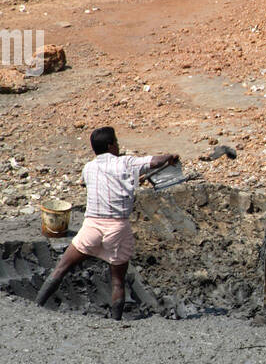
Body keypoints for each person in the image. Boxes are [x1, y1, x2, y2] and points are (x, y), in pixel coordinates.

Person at [35, 126, 179, 320]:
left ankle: (36, 308)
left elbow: (95, 183)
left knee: (61, 268)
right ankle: (115, 323)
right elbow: (154, 161)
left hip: (92, 226)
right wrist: (170, 157)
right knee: (117, 282)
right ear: (111, 145)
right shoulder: (126, 163)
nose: (118, 146)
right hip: (117, 228)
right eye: (117, 142)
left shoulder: (88, 168)